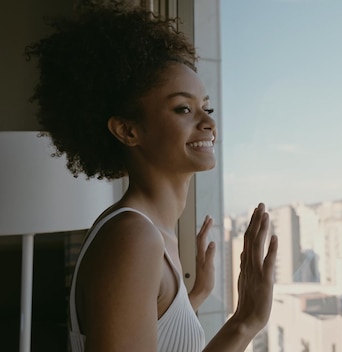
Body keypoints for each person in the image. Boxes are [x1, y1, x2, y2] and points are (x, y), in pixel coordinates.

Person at [25, 2, 278, 351]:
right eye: (183, 109)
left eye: (208, 107)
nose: (209, 122)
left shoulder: (146, 233)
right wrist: (245, 322)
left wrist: (194, 297)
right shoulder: (133, 238)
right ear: (128, 130)